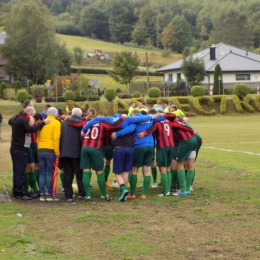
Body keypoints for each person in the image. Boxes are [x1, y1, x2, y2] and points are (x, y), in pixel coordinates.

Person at [8, 107, 50, 200]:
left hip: (14, 147)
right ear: (30, 114)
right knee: (20, 171)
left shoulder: (16, 118)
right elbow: (31, 129)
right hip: (20, 148)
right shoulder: (23, 120)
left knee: (16, 171)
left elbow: (9, 121)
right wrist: (43, 123)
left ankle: (15, 190)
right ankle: (19, 193)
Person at [138, 109, 175, 197]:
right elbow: (173, 115)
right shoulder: (169, 121)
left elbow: (151, 129)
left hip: (162, 147)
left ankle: (166, 192)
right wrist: (163, 113)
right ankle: (168, 190)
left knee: (162, 169)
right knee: (168, 169)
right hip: (171, 146)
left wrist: (143, 133)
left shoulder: (157, 123)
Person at [60, 108, 85, 201]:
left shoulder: (63, 123)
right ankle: (82, 193)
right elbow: (81, 138)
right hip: (76, 152)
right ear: (80, 115)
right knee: (79, 174)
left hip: (65, 152)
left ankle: (68, 195)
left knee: (67, 174)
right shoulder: (80, 123)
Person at [37, 107, 61, 201]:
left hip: (40, 149)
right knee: (50, 172)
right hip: (50, 150)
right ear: (56, 114)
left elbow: (38, 137)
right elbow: (56, 138)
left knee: (42, 172)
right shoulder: (56, 123)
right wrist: (57, 152)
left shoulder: (43, 122)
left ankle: (42, 194)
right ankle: (50, 193)